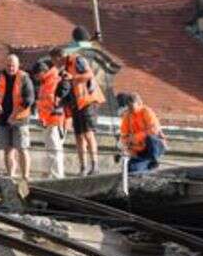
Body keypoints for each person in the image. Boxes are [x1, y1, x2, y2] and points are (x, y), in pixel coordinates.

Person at [54, 47, 106, 176]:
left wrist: (73, 77)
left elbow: (89, 75)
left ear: (58, 57)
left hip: (87, 101)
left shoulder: (77, 60)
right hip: (75, 104)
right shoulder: (64, 68)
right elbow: (68, 88)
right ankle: (83, 167)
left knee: (88, 134)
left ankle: (95, 166)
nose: (54, 64)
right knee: (78, 137)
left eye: (53, 61)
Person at [0, 54, 35, 180]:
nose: (10, 68)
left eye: (13, 66)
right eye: (8, 65)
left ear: (18, 66)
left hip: (20, 120)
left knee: (22, 148)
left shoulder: (24, 78)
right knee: (8, 149)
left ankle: (25, 176)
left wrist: (14, 114)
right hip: (3, 119)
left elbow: (29, 99)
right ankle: (11, 175)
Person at [32, 58, 72, 179]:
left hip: (56, 120)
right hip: (49, 120)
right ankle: (50, 174)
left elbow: (54, 99)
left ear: (42, 72)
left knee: (55, 150)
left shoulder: (53, 80)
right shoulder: (46, 81)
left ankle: (57, 176)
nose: (35, 78)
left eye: (36, 75)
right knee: (51, 149)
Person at [117, 93, 165, 174]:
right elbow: (124, 137)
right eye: (128, 107)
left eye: (132, 107)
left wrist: (136, 137)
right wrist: (124, 150)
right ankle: (147, 168)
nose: (130, 109)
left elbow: (154, 130)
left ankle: (154, 161)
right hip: (140, 152)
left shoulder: (147, 112)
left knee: (151, 138)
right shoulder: (127, 117)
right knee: (131, 169)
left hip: (154, 147)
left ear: (139, 103)